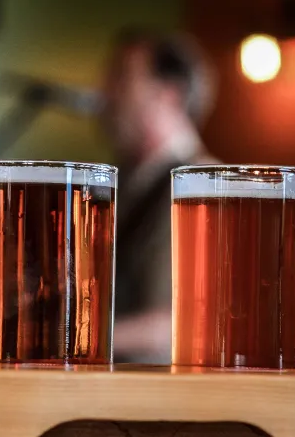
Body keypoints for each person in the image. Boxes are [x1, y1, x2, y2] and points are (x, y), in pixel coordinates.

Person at [100, 26, 218, 363]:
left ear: (169, 94)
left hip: (160, 403)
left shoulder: (202, 186)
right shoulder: (134, 182)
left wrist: (62, 337)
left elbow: (183, 325)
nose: (105, 92)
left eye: (121, 77)